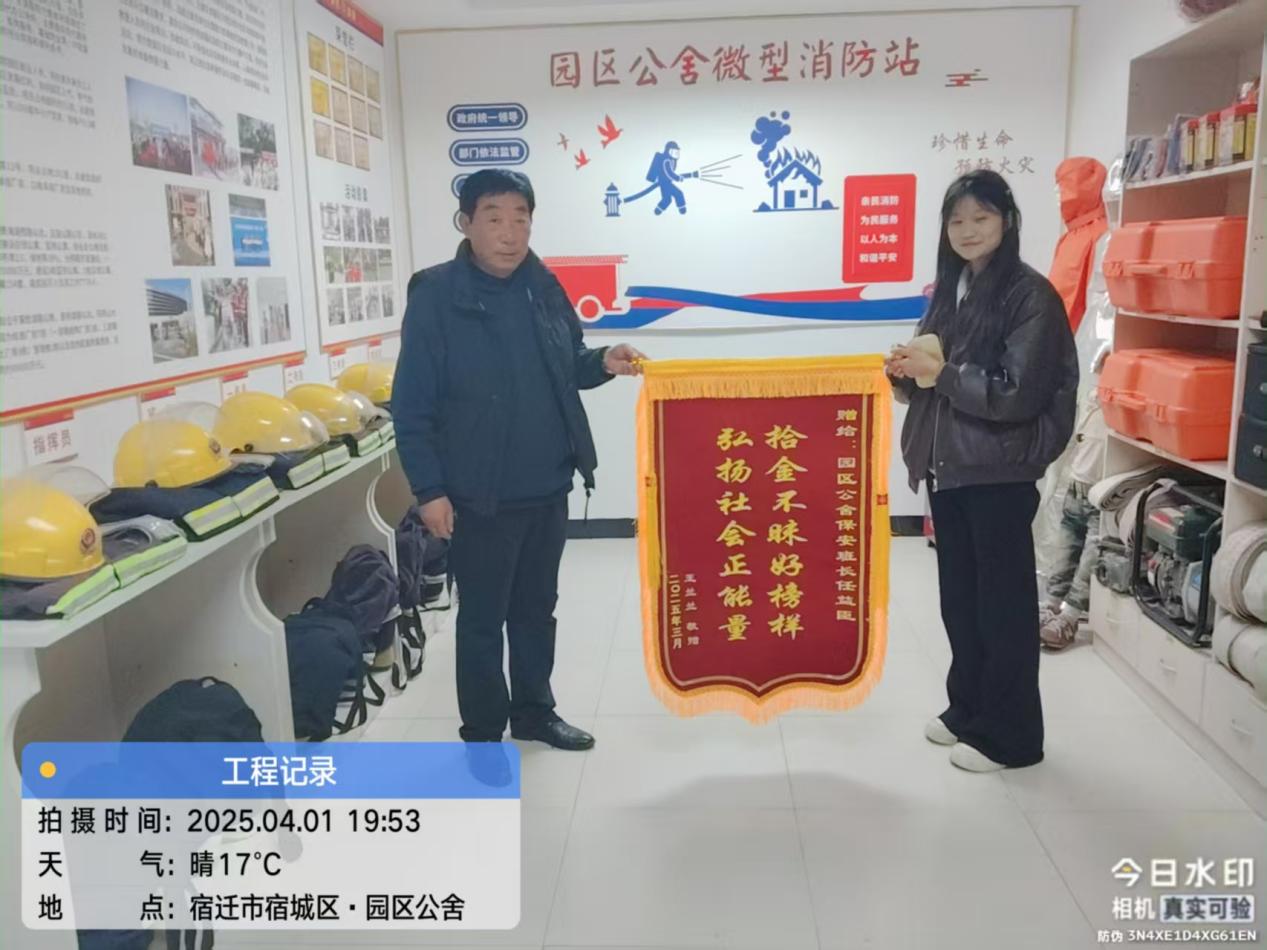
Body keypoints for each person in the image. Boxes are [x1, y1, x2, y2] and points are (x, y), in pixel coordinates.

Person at [393, 169, 646, 751]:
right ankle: (483, 734)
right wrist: (429, 490)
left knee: (536, 610)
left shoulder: (543, 285)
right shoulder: (436, 296)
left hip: (547, 484)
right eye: (494, 218)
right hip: (478, 493)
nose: (509, 233)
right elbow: (411, 405)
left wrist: (604, 360)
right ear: (466, 223)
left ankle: (534, 712)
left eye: (520, 218)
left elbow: (568, 363)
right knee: (483, 620)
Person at [886, 170, 1077, 772]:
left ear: (1007, 222)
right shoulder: (952, 290)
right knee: (961, 602)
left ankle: (1012, 737)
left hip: (999, 470)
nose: (968, 231)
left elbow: (1016, 394)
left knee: (1003, 608)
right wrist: (904, 373)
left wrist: (940, 375)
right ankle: (967, 710)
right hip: (949, 468)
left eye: (981, 218)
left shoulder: (1029, 296)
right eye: (957, 220)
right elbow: (933, 375)